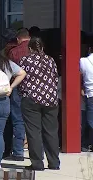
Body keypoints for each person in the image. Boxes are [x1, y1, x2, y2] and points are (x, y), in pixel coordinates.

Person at [19, 37, 60, 171]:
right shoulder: (51, 60)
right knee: (51, 131)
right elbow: (55, 78)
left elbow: (22, 79)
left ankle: (37, 163)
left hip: (32, 98)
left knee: (34, 132)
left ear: (30, 48)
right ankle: (54, 163)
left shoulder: (25, 60)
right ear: (42, 47)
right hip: (51, 99)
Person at [5, 28, 30, 161]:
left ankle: (18, 152)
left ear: (18, 39)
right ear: (29, 38)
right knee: (35, 121)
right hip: (35, 90)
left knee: (18, 120)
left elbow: (9, 71)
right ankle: (38, 150)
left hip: (17, 88)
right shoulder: (37, 51)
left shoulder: (13, 52)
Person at [80, 44, 93, 151]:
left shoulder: (83, 61)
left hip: (90, 94)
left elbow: (78, 75)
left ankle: (86, 144)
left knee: (90, 120)